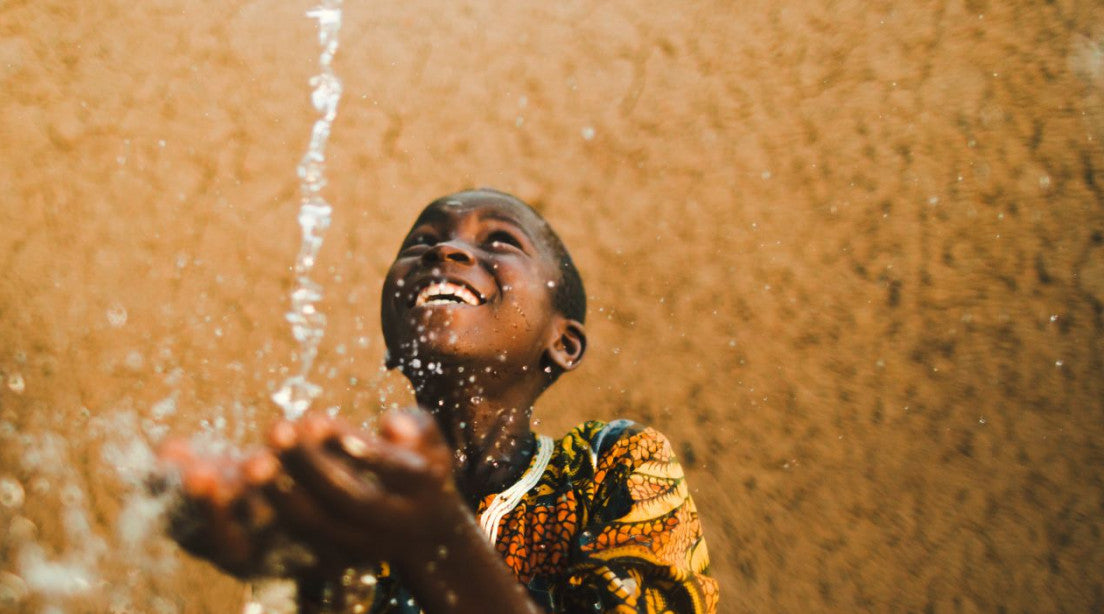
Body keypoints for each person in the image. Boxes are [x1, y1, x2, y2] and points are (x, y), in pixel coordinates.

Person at [158, 189, 719, 613]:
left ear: (563, 343)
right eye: (421, 244)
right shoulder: (345, 493)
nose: (446, 249)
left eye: (500, 242)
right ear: (391, 344)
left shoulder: (613, 466)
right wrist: (294, 570)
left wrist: (431, 542)